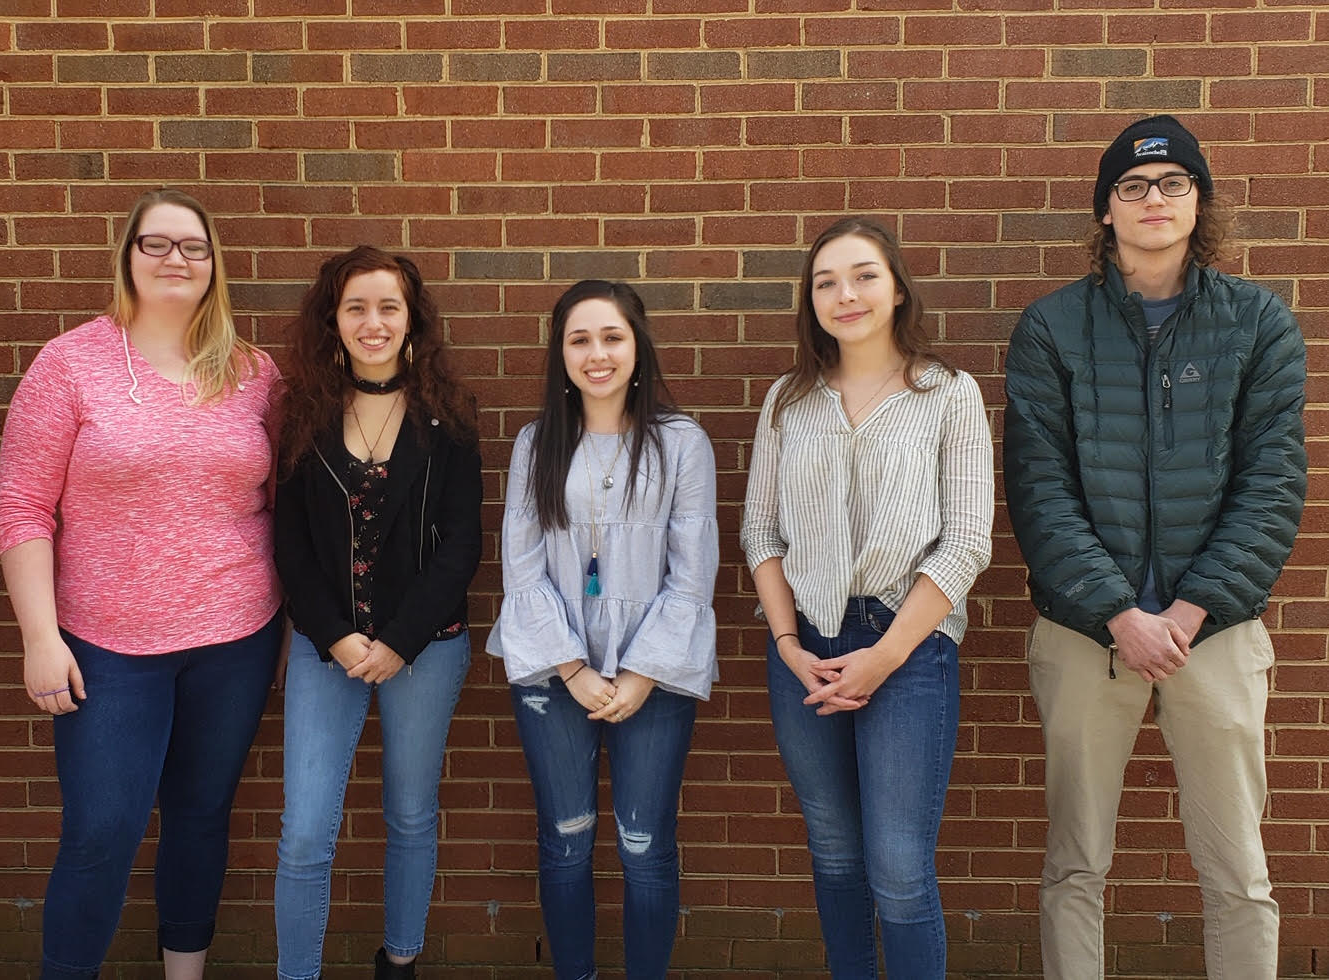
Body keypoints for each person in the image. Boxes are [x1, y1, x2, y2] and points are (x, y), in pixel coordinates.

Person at [1004, 114, 1306, 980]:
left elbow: (1273, 484)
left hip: (1214, 633)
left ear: (1198, 200)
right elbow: (1039, 489)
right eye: (1132, 187)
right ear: (1105, 210)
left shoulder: (1256, 324)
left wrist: (1185, 608)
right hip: (1084, 635)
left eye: (1174, 182)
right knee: (1074, 866)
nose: (1153, 199)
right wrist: (1117, 612)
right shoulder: (1052, 328)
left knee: (1238, 873)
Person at [0, 188, 284, 980]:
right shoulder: (71, 364)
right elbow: (21, 504)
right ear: (127, 257)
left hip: (236, 637)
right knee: (101, 831)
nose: (174, 260)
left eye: (192, 246)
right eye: (155, 244)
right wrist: (41, 639)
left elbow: (285, 495)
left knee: (199, 818)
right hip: (106, 645)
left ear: (214, 265)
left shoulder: (255, 374)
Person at [741, 217, 993, 979]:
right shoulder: (788, 400)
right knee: (835, 855)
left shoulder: (948, 394)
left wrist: (883, 657)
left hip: (907, 649)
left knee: (899, 868)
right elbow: (760, 531)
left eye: (863, 275)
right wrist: (788, 647)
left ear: (897, 287)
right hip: (804, 648)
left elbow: (967, 543)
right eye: (826, 281)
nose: (845, 294)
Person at [486, 279, 718, 980]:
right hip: (555, 669)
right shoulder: (537, 444)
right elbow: (520, 567)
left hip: (658, 670)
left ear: (638, 346)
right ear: (560, 353)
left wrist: (642, 671)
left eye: (611, 337)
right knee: (566, 841)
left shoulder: (681, 444)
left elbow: (694, 571)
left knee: (645, 845)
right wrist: (573, 669)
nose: (597, 354)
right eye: (579, 339)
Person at [272, 245, 483, 980]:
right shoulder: (301, 412)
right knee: (304, 834)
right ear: (333, 319)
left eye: (388, 306)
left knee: (410, 816)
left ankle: (399, 962)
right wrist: (336, 635)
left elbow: (463, 543)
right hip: (323, 648)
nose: (373, 321)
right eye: (356, 306)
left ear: (410, 317)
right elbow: (289, 542)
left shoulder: (449, 415)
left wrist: (396, 640)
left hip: (425, 650)